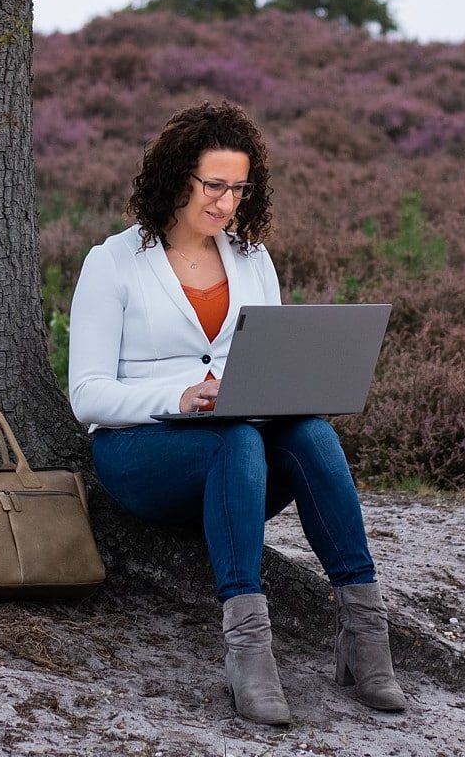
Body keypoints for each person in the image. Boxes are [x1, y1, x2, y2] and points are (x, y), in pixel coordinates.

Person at [68, 101, 406, 725]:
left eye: (239, 189)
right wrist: (180, 395)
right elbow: (87, 394)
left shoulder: (252, 259)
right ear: (177, 178)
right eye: (214, 186)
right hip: (141, 455)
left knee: (309, 430)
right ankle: (248, 653)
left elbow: (263, 362)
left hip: (239, 448)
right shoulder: (110, 262)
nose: (227, 204)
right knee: (236, 441)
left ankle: (364, 636)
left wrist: (281, 392)